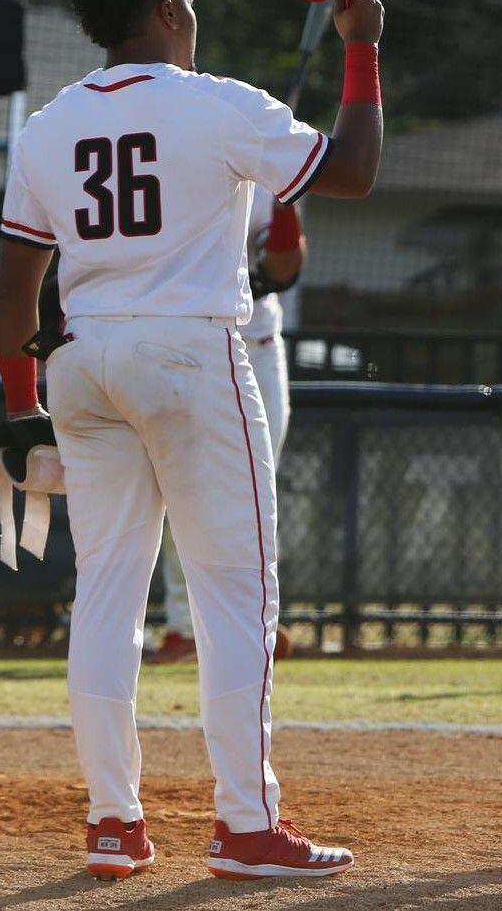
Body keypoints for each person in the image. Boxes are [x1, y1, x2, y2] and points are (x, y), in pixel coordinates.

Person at [0, 0, 379, 879]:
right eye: (189, 0)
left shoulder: (48, 124)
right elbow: (357, 171)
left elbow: (11, 291)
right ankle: (246, 825)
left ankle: (112, 823)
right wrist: (362, 49)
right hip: (190, 355)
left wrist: (19, 407)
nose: (195, 15)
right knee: (235, 597)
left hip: (81, 359)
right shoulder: (217, 105)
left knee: (107, 593)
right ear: (168, 8)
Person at [150, 191, 305, 665]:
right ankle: (184, 627)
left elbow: (284, 268)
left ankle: (252, 619)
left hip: (256, 344)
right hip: (182, 341)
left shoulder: (260, 157)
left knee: (257, 489)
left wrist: (286, 193)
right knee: (182, 487)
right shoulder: (175, 149)